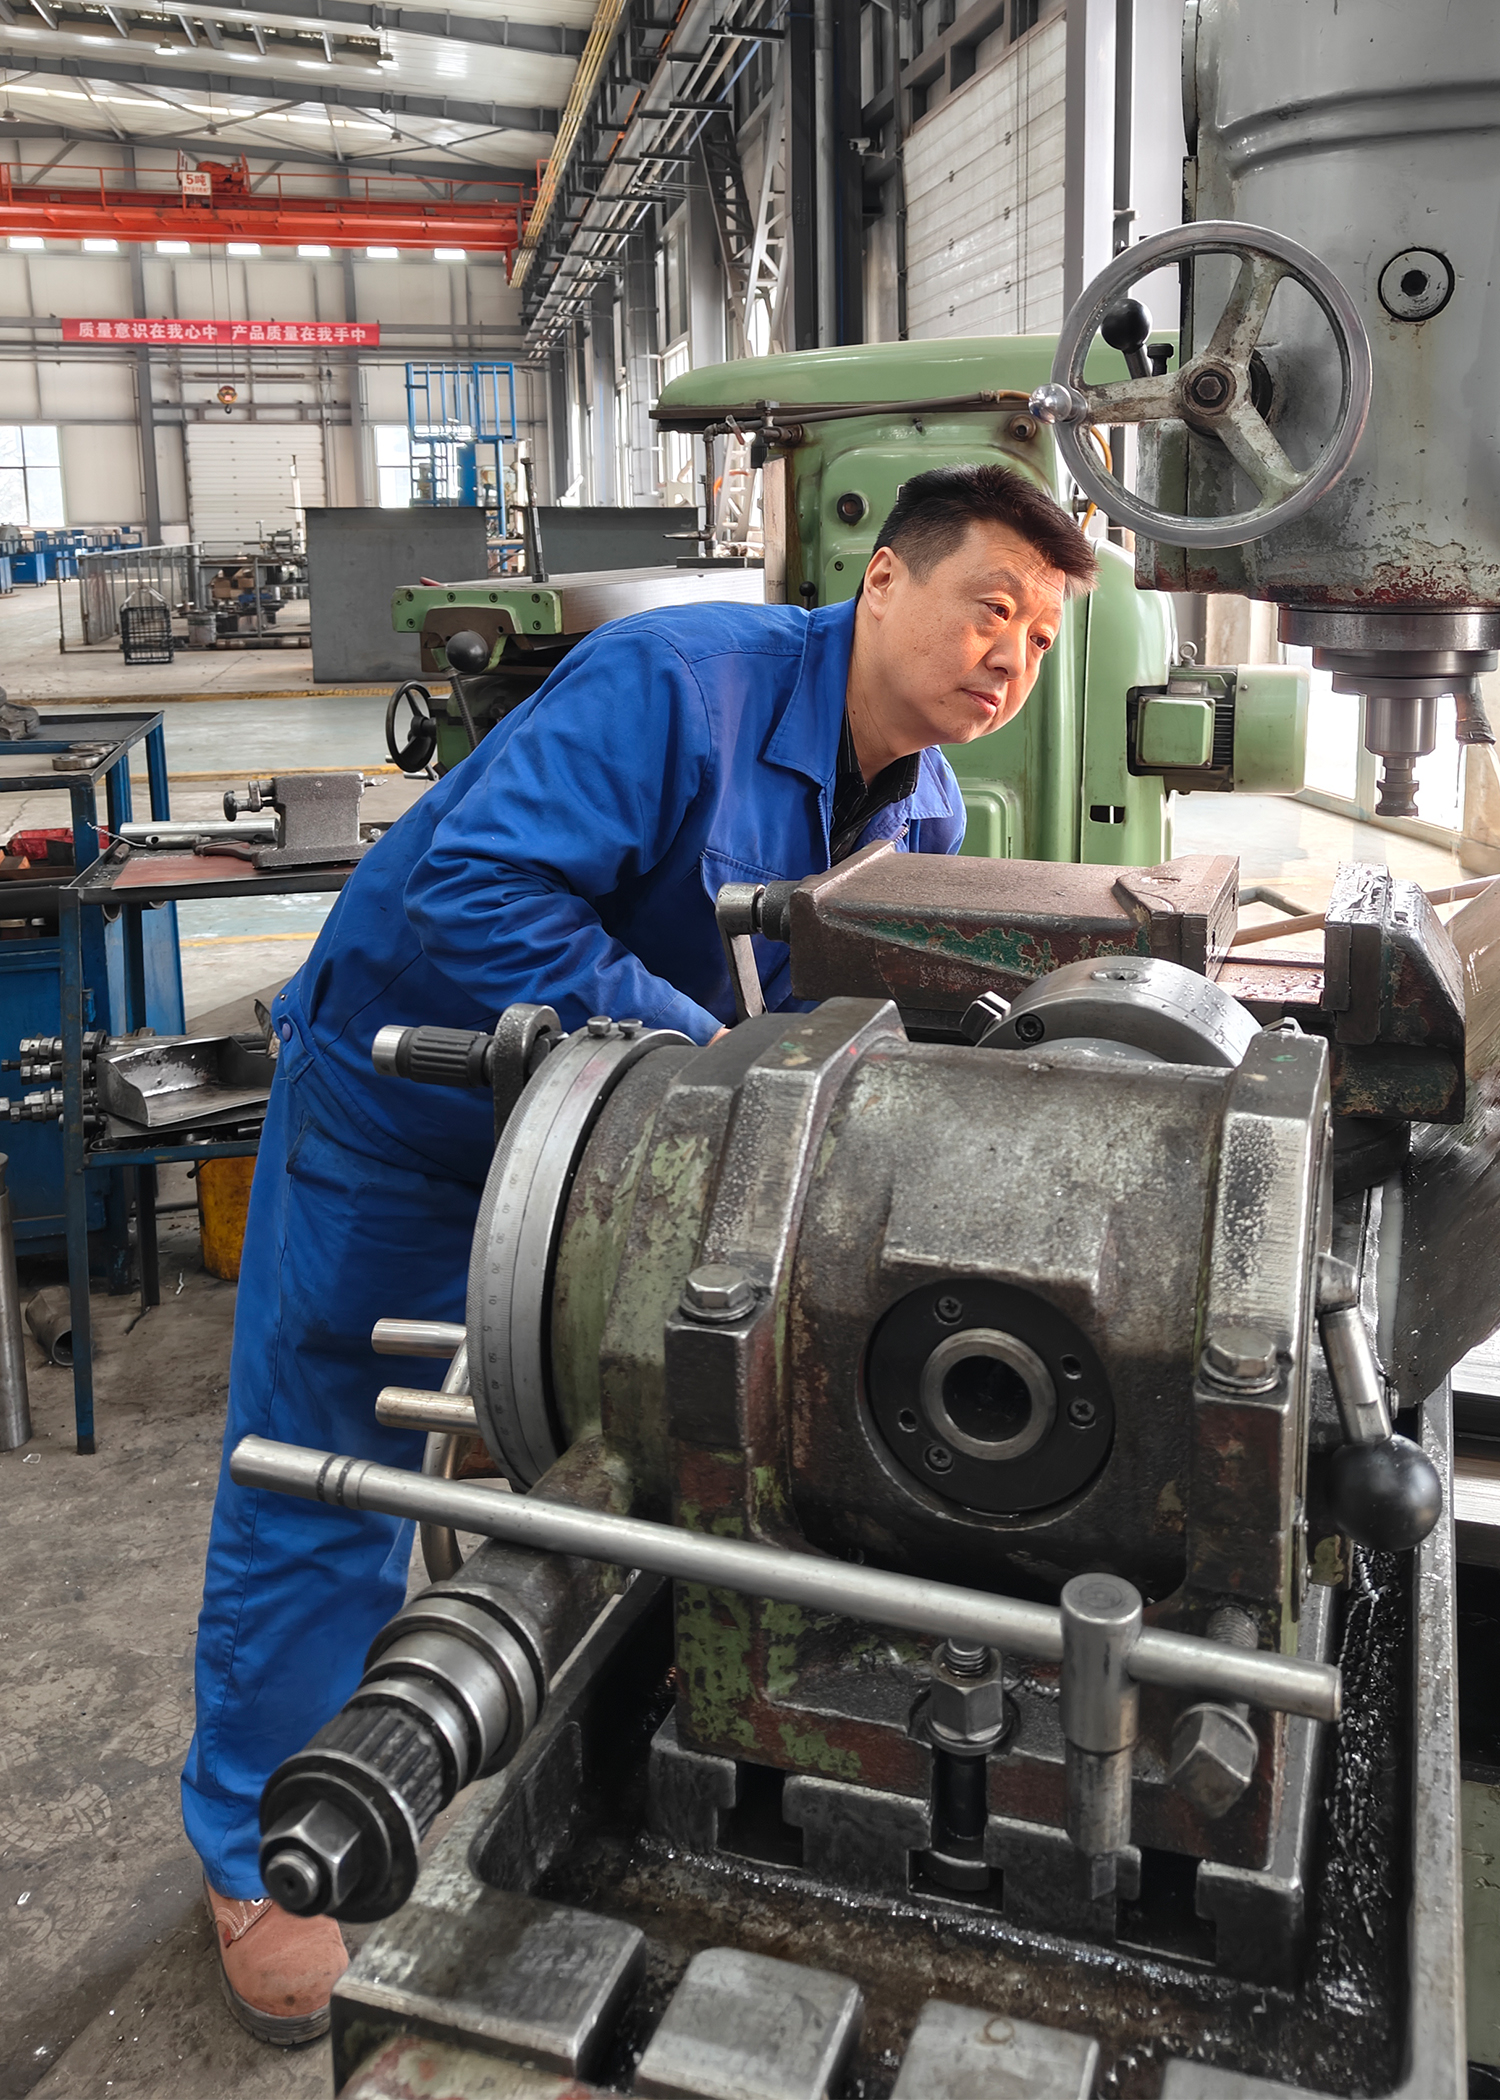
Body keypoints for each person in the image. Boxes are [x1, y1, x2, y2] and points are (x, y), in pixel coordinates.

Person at [182, 462, 1097, 2042]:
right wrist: (700, 1058)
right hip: (412, 1102)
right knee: (329, 1458)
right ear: (884, 582)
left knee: (664, 1430)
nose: (1008, 659)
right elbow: (474, 885)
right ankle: (262, 1849)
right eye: (989, 609)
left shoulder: (927, 812)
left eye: (1040, 641)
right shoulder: (676, 684)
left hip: (611, 1145)